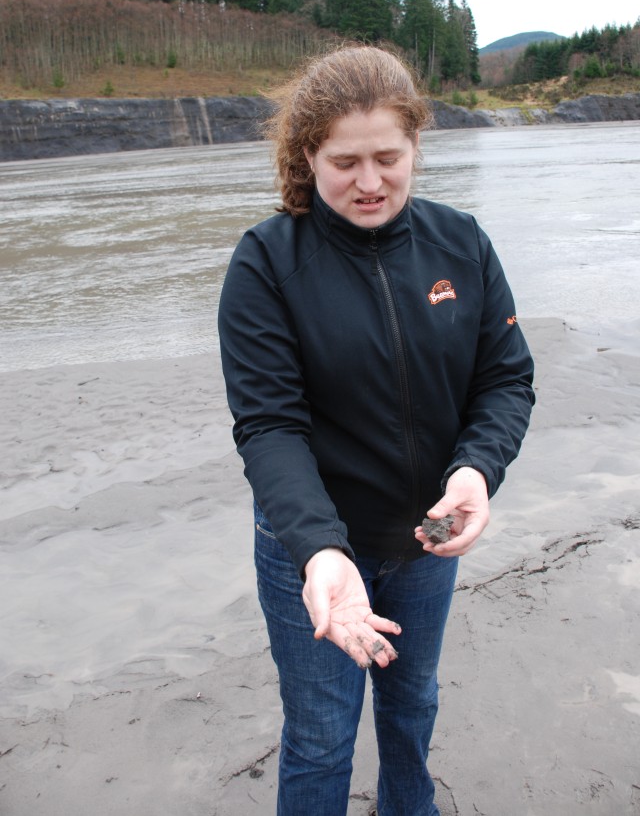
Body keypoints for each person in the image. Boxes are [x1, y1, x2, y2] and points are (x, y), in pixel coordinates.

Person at [218, 44, 535, 816]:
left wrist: (475, 472)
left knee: (412, 706)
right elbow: (270, 427)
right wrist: (321, 550)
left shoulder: (461, 243)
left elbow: (504, 378)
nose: (369, 182)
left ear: (417, 146)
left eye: (388, 157)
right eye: (345, 162)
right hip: (315, 556)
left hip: (425, 541)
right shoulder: (266, 263)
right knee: (322, 733)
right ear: (308, 156)